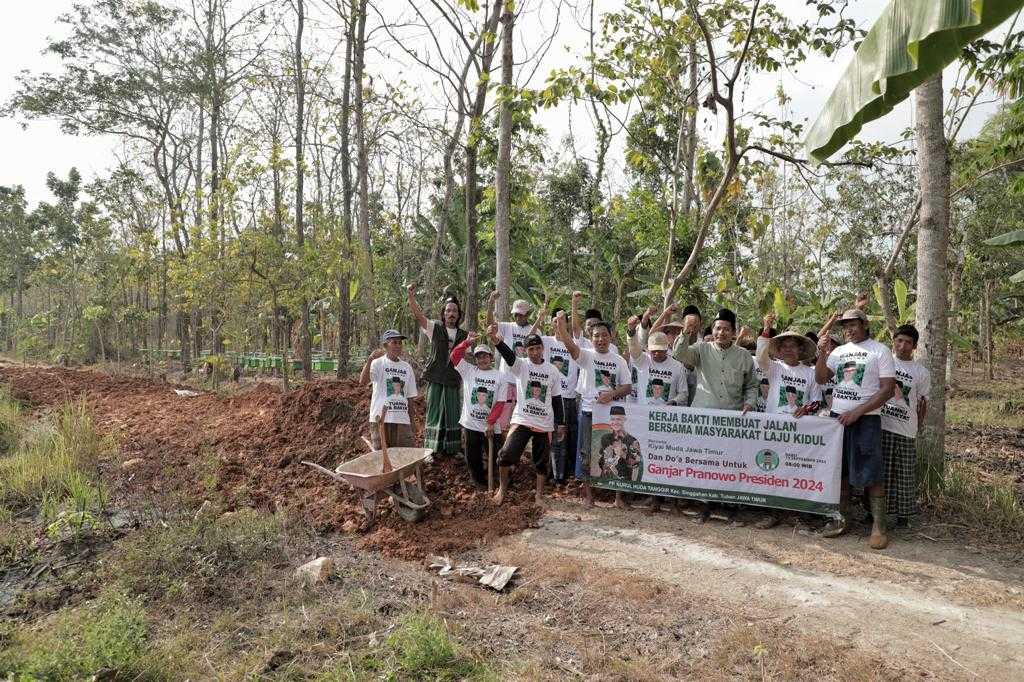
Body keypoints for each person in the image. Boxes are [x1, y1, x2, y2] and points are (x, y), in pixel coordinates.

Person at [815, 308, 896, 550]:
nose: (849, 329)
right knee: (841, 472)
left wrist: (858, 412)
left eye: (853, 324)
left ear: (865, 323)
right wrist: (821, 354)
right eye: (845, 326)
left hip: (866, 419)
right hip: (838, 421)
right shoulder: (838, 352)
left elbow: (888, 389)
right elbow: (821, 379)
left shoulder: (879, 351)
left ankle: (879, 526)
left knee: (871, 471)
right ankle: (842, 519)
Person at [554, 310, 632, 508]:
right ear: (591, 338)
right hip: (589, 412)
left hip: (614, 414)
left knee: (618, 451)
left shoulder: (619, 360)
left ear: (611, 336)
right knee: (586, 453)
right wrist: (562, 327)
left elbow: (627, 386)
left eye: (604, 335)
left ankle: (618, 498)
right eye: (596, 335)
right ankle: (589, 496)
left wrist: (612, 394)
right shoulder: (586, 356)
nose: (600, 339)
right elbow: (571, 348)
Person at [752, 313, 821, 529]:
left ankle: (797, 514)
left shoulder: (810, 373)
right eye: (785, 346)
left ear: (801, 350)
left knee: (796, 471)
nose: (789, 349)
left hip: (799, 431)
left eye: (794, 346)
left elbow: (818, 401)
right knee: (771, 470)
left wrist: (806, 408)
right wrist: (766, 327)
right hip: (773, 428)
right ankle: (772, 513)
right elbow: (761, 357)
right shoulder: (774, 368)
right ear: (779, 350)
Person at [488, 327, 565, 506]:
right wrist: (497, 341)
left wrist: (560, 423)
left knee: (541, 462)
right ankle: (502, 490)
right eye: (531, 349)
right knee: (505, 455)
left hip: (544, 423)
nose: (535, 352)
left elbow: (556, 398)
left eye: (538, 348)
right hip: (522, 419)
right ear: (525, 350)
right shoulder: (521, 365)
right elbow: (508, 355)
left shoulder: (552, 370)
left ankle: (539, 496)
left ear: (543, 348)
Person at [880, 324, 930, 529]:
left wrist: (918, 425)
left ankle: (903, 516)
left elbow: (923, 402)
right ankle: (875, 513)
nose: (902, 345)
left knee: (904, 474)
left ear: (915, 346)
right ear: (894, 341)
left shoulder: (921, 372)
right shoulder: (884, 362)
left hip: (906, 429)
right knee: (881, 473)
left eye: (908, 342)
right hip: (882, 424)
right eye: (899, 341)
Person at [408, 285, 467, 456]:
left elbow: (467, 358)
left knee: (452, 412)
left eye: (454, 311)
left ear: (458, 314)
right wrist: (411, 297)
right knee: (434, 412)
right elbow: (419, 317)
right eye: (448, 310)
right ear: (444, 313)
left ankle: (453, 448)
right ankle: (430, 450)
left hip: (453, 379)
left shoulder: (463, 335)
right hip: (435, 376)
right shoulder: (435, 328)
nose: (451, 313)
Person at [450, 333, 512, 487]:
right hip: (471, 423)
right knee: (472, 456)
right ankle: (479, 482)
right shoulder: (469, 371)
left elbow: (500, 401)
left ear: (491, 358)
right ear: (475, 359)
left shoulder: (500, 376)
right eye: (479, 357)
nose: (482, 360)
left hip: (491, 425)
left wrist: (490, 423)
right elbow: (454, 356)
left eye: (485, 356)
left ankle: (500, 481)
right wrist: (467, 342)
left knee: (497, 454)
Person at [673, 308, 758, 412]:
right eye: (717, 328)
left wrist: (749, 403)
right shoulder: (701, 348)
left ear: (733, 332)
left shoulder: (744, 355)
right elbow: (679, 354)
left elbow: (752, 385)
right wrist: (686, 331)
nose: (721, 333)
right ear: (712, 330)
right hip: (702, 415)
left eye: (726, 329)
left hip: (732, 417)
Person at [359, 330, 418, 449]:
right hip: (380, 418)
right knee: (381, 458)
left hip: (402, 419)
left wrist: (412, 421)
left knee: (404, 456)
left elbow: (410, 397)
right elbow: (363, 382)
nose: (398, 346)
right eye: (394, 342)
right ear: (386, 345)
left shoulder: (407, 368)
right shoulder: (377, 363)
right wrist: (370, 360)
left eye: (400, 343)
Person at [486, 292, 535, 431]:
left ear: (527, 314)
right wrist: (490, 303)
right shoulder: (507, 326)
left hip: (523, 379)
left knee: (521, 416)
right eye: (516, 314)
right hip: (506, 378)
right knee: (503, 413)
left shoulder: (534, 330)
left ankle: (520, 447)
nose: (518, 317)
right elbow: (490, 325)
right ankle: (501, 444)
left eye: (521, 314)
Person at [626, 316, 687, 406]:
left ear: (666, 349)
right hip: (643, 413)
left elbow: (683, 393)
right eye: (654, 351)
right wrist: (631, 332)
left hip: (665, 415)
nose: (657, 353)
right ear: (648, 349)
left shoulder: (677, 366)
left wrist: (674, 401)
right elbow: (634, 347)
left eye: (660, 350)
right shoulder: (643, 360)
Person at [598, 405, 642, 482]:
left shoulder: (633, 441)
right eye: (612, 419)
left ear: (624, 420)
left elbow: (635, 464)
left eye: (618, 419)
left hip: (624, 482)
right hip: (606, 480)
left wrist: (623, 455)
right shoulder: (605, 438)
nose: (615, 422)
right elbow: (603, 461)